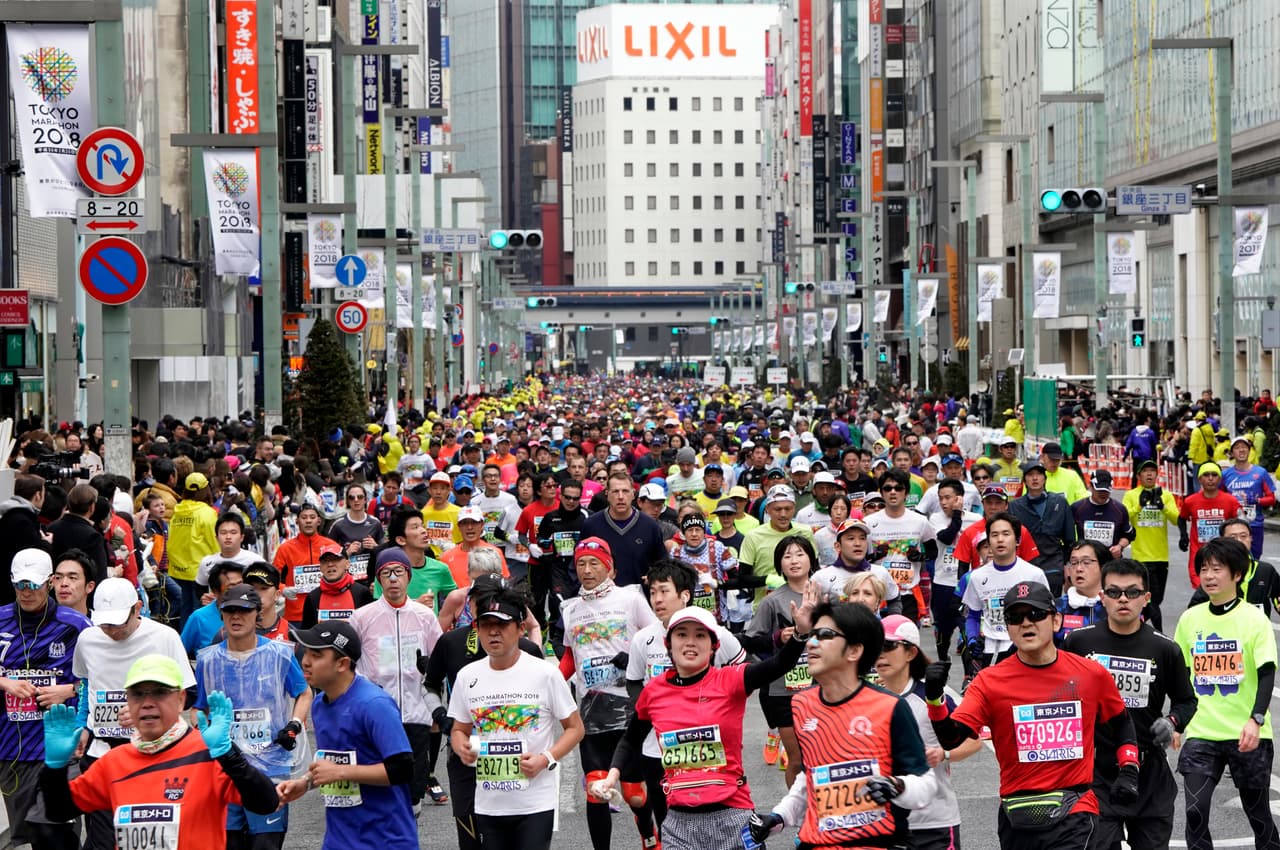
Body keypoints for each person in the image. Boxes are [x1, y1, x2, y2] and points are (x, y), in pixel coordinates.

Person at [591, 594, 817, 850]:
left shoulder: (730, 680)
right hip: (678, 823)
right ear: (669, 644)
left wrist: (800, 633)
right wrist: (612, 776)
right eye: (682, 635)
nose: (690, 642)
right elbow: (631, 739)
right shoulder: (654, 691)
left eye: (700, 636)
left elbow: (779, 664)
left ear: (713, 647)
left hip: (732, 816)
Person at [927, 581, 1141, 850]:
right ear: (1007, 627)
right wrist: (934, 698)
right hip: (1017, 814)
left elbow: (1122, 723)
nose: (1026, 623)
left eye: (1036, 614)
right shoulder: (989, 682)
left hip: (1074, 810)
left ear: (1056, 621)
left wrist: (1129, 768)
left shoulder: (1091, 674)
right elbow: (951, 739)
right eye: (1015, 617)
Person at [750, 608, 948, 849]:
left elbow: (926, 784)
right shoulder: (802, 704)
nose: (811, 644)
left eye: (825, 635)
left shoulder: (890, 707)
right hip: (818, 843)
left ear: (854, 651)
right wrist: (779, 816)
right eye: (812, 635)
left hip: (875, 843)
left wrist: (897, 786)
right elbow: (810, 776)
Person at [40, 655, 279, 850]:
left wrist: (228, 754)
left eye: (159, 692)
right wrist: (55, 767)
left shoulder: (208, 752)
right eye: (137, 694)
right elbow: (59, 811)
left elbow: (266, 802)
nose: (147, 702)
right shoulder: (114, 762)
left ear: (180, 699)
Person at [1063, 559, 1198, 850]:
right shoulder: (1078, 643)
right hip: (1097, 772)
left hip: (1149, 773)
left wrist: (1172, 722)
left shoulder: (1165, 648)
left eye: (1132, 592)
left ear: (1146, 598)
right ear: (1102, 597)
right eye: (1114, 592)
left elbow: (1187, 700)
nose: (1123, 599)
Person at [447, 581, 585, 850]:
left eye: (502, 625)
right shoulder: (467, 676)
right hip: (488, 803)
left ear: (521, 628)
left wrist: (545, 759)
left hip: (535, 803)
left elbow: (575, 728)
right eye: (486, 625)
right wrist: (461, 747)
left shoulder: (545, 674)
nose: (493, 632)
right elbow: (459, 729)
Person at [71, 577, 194, 850]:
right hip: (101, 754)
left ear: (137, 608)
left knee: (146, 838)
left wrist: (144, 711)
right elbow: (86, 683)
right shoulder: (88, 639)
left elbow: (188, 695)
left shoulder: (164, 637)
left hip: (152, 755)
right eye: (105, 624)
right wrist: (83, 725)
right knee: (103, 841)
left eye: (117, 623)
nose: (111, 631)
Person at [1173, 537, 1280, 850]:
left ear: (1237, 574)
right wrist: (1177, 721)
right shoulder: (1190, 619)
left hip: (1247, 732)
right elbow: (1181, 676)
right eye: (1204, 569)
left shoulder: (1255, 619)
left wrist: (1256, 719)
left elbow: (1267, 673)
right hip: (1202, 731)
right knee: (1194, 812)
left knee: (1258, 814)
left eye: (1217, 569)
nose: (1209, 576)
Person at [625, 560, 747, 828]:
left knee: (713, 823)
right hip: (657, 749)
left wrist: (718, 709)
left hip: (707, 749)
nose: (657, 599)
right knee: (668, 824)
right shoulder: (643, 639)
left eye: (664, 591)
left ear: (685, 595)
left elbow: (741, 672)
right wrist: (656, 712)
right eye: (652, 592)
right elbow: (633, 682)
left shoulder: (716, 634)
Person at [276, 621, 420, 850]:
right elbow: (335, 761)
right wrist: (305, 782)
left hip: (385, 840)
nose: (305, 661)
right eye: (306, 652)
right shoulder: (319, 705)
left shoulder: (374, 704)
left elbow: (402, 768)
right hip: (338, 839)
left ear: (342, 664)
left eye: (316, 655)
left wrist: (340, 772)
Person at [556, 538, 662, 850]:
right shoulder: (570, 609)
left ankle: (648, 832)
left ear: (609, 567)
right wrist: (550, 683)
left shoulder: (630, 599)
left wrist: (634, 661)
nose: (587, 570)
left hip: (630, 707)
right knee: (596, 788)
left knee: (634, 793)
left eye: (594, 563)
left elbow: (657, 639)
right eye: (581, 563)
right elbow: (568, 657)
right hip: (590, 710)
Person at [195, 583, 312, 850]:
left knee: (265, 845)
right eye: (230, 611)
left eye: (244, 610)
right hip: (225, 768)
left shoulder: (280, 653)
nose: (236, 617)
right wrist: (201, 729)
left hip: (270, 767)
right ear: (221, 615)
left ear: (257, 613)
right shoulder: (207, 660)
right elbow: (199, 707)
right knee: (229, 844)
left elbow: (304, 692)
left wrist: (294, 725)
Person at [0, 549, 90, 850]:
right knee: (26, 834)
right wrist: (5, 682)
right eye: (20, 585)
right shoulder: (0, 620)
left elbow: (104, 676)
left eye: (34, 585)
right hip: (11, 747)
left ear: (49, 582)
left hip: (60, 746)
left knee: (53, 833)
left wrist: (70, 690)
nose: (27, 592)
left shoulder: (75, 625)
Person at [351, 546, 447, 810]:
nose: (393, 579)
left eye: (399, 572)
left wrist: (430, 669)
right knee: (381, 785)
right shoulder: (362, 617)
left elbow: (440, 660)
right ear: (378, 580)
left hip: (416, 712)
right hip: (377, 714)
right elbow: (350, 664)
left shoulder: (424, 616)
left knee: (413, 790)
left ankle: (410, 824)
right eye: (386, 573)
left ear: (408, 576)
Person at [742, 535, 820, 787]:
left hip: (821, 687)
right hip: (783, 691)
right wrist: (778, 638)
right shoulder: (772, 601)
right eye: (787, 556)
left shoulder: (825, 595)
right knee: (796, 759)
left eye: (800, 554)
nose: (794, 561)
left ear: (811, 559)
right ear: (779, 565)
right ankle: (797, 808)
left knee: (820, 756)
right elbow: (751, 641)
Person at [959, 513, 1049, 674]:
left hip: (1025, 649)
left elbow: (1048, 615)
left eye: (1006, 534)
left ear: (1017, 540)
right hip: (991, 651)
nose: (1000, 540)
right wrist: (972, 639)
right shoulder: (977, 577)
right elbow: (972, 615)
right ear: (989, 541)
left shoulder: (1034, 574)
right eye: (994, 535)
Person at [866, 468, 937, 622]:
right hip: (878, 594)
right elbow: (861, 558)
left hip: (908, 594)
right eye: (887, 488)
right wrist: (874, 556)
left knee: (905, 635)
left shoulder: (920, 521)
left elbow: (933, 552)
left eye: (898, 488)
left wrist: (920, 557)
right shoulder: (868, 523)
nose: (893, 492)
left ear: (906, 493)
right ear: (881, 492)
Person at [1121, 459, 1180, 631]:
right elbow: (1123, 518)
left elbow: (1177, 519)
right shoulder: (1131, 495)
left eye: (1152, 471)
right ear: (1138, 475)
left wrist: (1163, 507)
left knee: (1156, 600)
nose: (1149, 474)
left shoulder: (1165, 495)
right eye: (1145, 471)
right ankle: (1160, 635)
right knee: (1152, 600)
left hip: (1161, 556)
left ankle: (1133, 627)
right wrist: (1139, 506)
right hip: (1141, 557)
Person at [579, 473, 667, 587]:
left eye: (625, 491)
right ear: (607, 494)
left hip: (640, 594)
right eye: (615, 491)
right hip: (602, 594)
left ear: (633, 494)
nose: (620, 496)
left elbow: (663, 564)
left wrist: (654, 577)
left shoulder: (650, 526)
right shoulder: (591, 525)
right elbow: (579, 562)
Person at [1009, 459, 1076, 595]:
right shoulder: (1014, 506)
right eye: (1030, 475)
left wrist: (1066, 565)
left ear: (1045, 479)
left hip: (1053, 567)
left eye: (1039, 474)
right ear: (1024, 480)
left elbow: (1070, 539)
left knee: (1052, 603)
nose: (1035, 478)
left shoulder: (1059, 502)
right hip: (1026, 567)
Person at [1187, 517, 1280, 615]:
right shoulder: (1217, 573)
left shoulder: (1266, 570)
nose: (1239, 541)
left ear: (1251, 538)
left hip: (1258, 625)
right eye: (1232, 537)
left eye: (1243, 536)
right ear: (1222, 540)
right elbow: (1194, 609)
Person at [1178, 462, 1240, 589]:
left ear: (1220, 479)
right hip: (1199, 553)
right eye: (1206, 475)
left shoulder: (1230, 501)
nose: (1210, 478)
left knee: (1221, 588)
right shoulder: (1190, 501)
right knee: (1201, 588)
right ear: (1199, 479)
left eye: (1214, 475)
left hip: (1223, 553)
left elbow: (1239, 524)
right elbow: (1181, 518)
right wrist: (1183, 536)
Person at [167, 473, 220, 620]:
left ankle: (185, 635)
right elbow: (214, 541)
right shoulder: (208, 513)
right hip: (200, 570)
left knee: (186, 609)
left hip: (179, 569)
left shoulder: (178, 511)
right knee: (200, 611)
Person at [1219, 435, 1275, 558]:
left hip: (1254, 524)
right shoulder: (1225, 474)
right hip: (1233, 524)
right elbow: (1218, 497)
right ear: (1232, 453)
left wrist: (1256, 500)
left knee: (1255, 557)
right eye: (1237, 448)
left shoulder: (1261, 472)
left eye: (1244, 447)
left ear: (1249, 451)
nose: (1241, 450)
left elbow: (1271, 499)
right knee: (1234, 557)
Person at [0, 473, 48, 605]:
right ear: (38, 495)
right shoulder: (24, 522)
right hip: (13, 593)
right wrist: (45, 544)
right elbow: (31, 557)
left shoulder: (8, 515)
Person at [302, 543, 375, 628]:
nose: (330, 564)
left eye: (335, 559)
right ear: (320, 567)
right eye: (325, 561)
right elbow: (307, 631)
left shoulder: (362, 593)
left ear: (347, 564)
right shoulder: (313, 597)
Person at [1054, 539, 1112, 642]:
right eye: (1074, 563)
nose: (1079, 569)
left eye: (1086, 562)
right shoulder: (1057, 608)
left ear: (1103, 567)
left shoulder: (1115, 605)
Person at [1069, 470, 1134, 561]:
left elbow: (1128, 535)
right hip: (1085, 561)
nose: (1103, 493)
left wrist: (1119, 546)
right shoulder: (1077, 508)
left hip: (1111, 562)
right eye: (1099, 490)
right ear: (1091, 487)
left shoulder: (1120, 509)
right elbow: (1066, 534)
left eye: (1106, 490)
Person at [327, 482, 385, 563]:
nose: (356, 500)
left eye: (360, 497)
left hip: (372, 567)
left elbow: (385, 552)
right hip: (346, 568)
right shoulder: (338, 524)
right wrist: (346, 553)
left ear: (365, 499)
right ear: (348, 501)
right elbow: (328, 555)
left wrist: (376, 547)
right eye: (351, 497)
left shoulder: (375, 523)